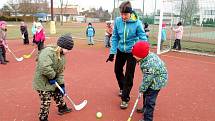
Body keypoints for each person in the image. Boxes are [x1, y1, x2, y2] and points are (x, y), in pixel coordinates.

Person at [106, 1, 148, 109]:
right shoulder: (118, 21)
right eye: (122, 14)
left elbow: (143, 38)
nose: (123, 16)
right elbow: (115, 37)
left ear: (130, 13)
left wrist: (144, 52)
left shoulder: (137, 23)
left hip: (132, 52)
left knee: (129, 75)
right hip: (120, 50)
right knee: (117, 70)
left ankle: (125, 98)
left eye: (126, 14)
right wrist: (112, 52)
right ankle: (123, 88)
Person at [33, 34, 74, 121]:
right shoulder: (48, 52)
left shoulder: (62, 56)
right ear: (61, 46)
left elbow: (60, 71)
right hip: (42, 82)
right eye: (68, 49)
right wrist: (52, 76)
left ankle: (62, 108)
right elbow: (44, 67)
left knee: (58, 93)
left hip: (53, 80)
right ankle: (43, 118)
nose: (68, 51)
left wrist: (61, 84)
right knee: (46, 101)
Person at [131, 41, 168, 121]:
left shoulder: (149, 64)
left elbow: (147, 80)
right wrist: (143, 89)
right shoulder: (146, 56)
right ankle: (145, 109)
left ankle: (148, 119)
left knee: (150, 101)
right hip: (153, 76)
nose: (133, 56)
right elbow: (147, 78)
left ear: (141, 55)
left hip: (157, 81)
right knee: (145, 93)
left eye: (135, 55)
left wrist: (142, 89)